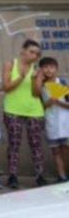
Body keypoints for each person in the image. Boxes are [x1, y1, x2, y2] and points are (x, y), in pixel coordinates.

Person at [3, 40, 47, 189]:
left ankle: (40, 176)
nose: (34, 56)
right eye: (31, 52)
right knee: (14, 143)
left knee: (36, 144)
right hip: (13, 109)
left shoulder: (37, 69)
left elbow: (36, 93)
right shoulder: (10, 64)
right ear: (23, 50)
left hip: (34, 110)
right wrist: (21, 77)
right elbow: (6, 87)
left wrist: (35, 79)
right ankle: (12, 176)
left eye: (37, 53)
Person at [40, 56, 69, 185]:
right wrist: (48, 103)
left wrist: (59, 102)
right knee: (56, 150)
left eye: (51, 67)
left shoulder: (62, 83)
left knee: (66, 149)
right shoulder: (41, 85)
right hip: (51, 121)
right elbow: (40, 106)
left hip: (65, 121)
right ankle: (61, 175)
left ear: (56, 69)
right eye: (45, 67)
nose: (48, 70)